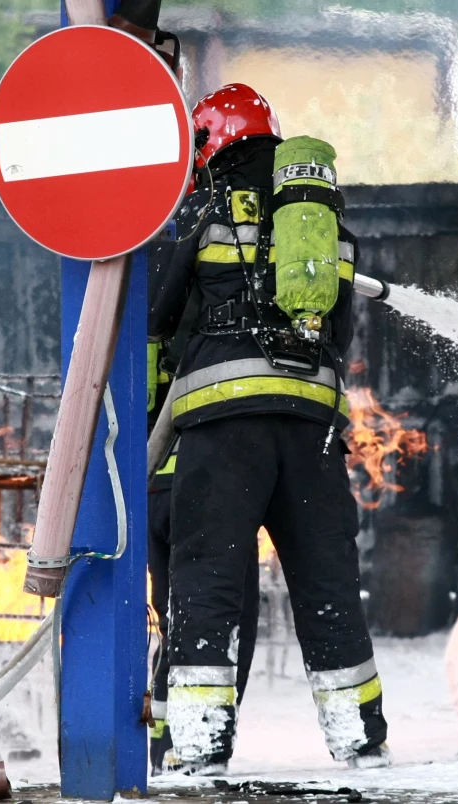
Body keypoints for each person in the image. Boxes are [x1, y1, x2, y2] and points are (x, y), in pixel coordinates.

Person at [148, 82, 387, 775]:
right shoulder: (322, 222)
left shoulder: (205, 207)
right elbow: (340, 329)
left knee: (209, 577)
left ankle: (196, 748)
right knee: (327, 583)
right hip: (310, 427)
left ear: (210, 143)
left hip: (225, 427)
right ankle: (360, 742)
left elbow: (156, 314)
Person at [144, 288, 260, 774]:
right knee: (228, 620)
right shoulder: (221, 296)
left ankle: (163, 747)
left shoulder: (145, 292)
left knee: (178, 622)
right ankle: (193, 744)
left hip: (150, 487)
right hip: (207, 487)